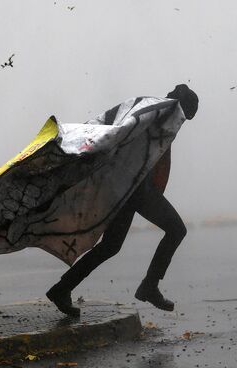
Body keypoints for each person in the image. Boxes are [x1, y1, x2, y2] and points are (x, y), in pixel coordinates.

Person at [46, 84, 199, 317]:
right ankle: (150, 285)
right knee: (177, 230)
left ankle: (61, 289)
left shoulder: (155, 114)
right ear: (181, 107)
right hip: (136, 188)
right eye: (185, 116)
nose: (183, 122)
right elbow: (121, 133)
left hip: (127, 189)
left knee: (110, 246)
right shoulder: (158, 115)